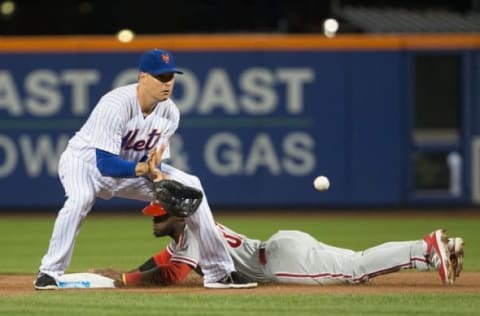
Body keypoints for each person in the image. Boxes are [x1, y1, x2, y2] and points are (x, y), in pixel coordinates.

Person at [34, 49, 257, 290]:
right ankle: (48, 273)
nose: (167, 83)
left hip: (131, 169)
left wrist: (157, 174)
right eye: (160, 77)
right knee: (80, 199)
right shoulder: (115, 105)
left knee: (192, 184)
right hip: (84, 164)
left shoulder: (170, 112)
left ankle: (219, 272)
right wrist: (144, 169)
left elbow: (152, 161)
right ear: (143, 78)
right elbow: (106, 164)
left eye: (170, 77)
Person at [94, 203, 465, 287]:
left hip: (278, 261)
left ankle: (426, 248)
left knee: (354, 270)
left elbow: (173, 273)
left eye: (159, 215)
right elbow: (161, 259)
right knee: (356, 260)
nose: (153, 219)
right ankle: (432, 253)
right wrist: (129, 272)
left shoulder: (191, 233)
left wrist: (124, 282)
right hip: (283, 243)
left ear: (177, 215)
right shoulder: (191, 228)